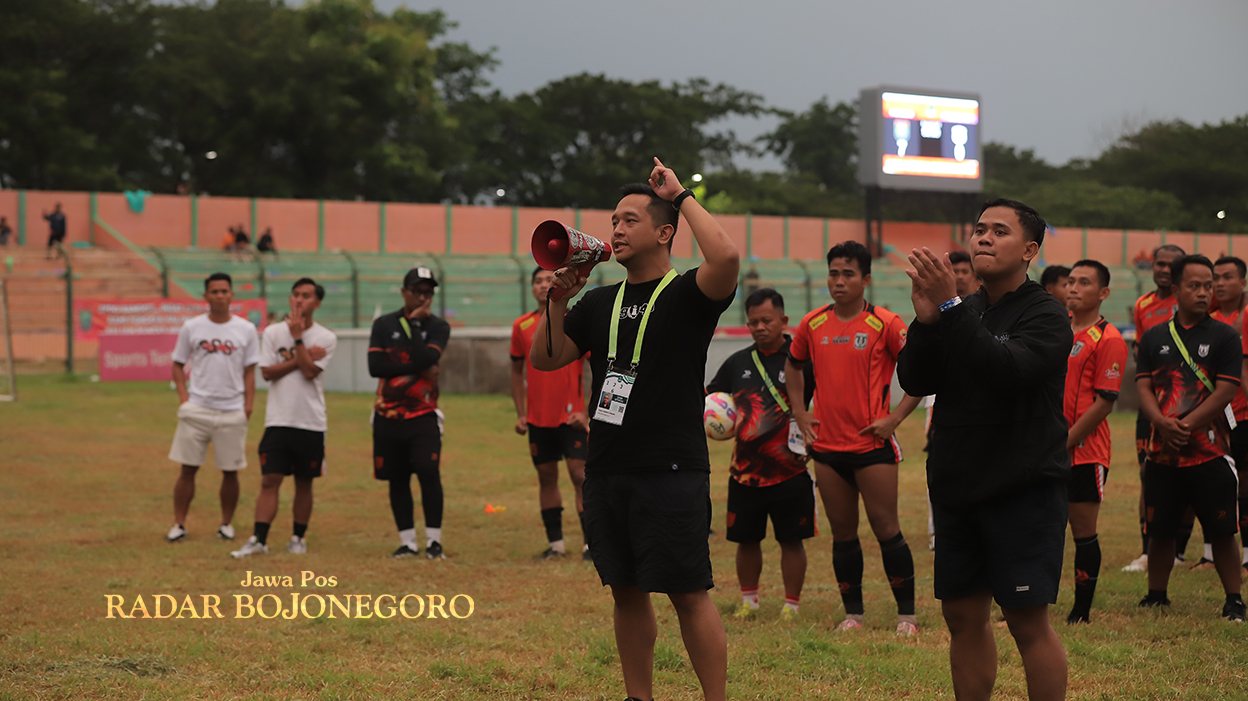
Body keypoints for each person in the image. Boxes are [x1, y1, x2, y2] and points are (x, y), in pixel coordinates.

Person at [531, 158, 738, 701]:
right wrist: (558, 303)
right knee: (625, 591)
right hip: (607, 467)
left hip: (672, 467)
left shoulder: (690, 293)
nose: (616, 230)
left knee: (688, 593)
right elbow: (546, 358)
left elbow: (726, 256)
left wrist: (680, 195)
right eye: (613, 221)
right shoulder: (600, 301)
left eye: (629, 220)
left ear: (664, 233)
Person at [898, 198, 1071, 701]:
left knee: (1025, 620)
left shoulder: (1046, 313)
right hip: (958, 487)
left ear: (1030, 250)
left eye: (999, 231)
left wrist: (950, 311)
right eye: (979, 230)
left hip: (1023, 489)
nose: (984, 238)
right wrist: (927, 322)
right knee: (961, 616)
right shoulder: (963, 310)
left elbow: (1005, 370)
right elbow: (915, 379)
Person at [784, 240, 921, 635]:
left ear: (866, 279)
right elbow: (793, 366)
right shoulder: (812, 324)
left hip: (872, 448)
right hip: (827, 450)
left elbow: (920, 372)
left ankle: (907, 617)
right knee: (843, 535)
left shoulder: (886, 323)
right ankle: (854, 615)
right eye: (833, 273)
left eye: (848, 274)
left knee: (886, 529)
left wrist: (895, 418)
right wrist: (799, 411)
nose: (839, 281)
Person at [1135, 254, 1245, 621]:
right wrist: (1160, 422)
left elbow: (1226, 390)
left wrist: (1184, 425)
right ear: (1176, 289)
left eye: (1208, 286)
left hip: (1210, 450)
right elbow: (1144, 386)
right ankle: (1156, 595)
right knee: (1161, 530)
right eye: (1195, 286)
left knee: (1223, 529)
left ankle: (1234, 600)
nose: (1203, 293)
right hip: (1162, 452)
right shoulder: (1154, 336)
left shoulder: (1225, 336)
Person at [706, 288, 815, 622]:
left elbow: (823, 403)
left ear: (783, 320)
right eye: (753, 322)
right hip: (745, 472)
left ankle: (791, 606)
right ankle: (748, 601)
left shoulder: (802, 361)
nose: (759, 327)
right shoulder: (737, 362)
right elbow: (712, 401)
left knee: (792, 541)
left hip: (790, 470)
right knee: (746, 540)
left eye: (766, 320)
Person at [232, 278, 336, 558]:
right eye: (296, 294)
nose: (299, 300)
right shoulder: (273, 332)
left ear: (317, 303)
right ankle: (259, 540)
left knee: (304, 481)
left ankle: (298, 538)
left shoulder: (326, 337)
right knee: (270, 479)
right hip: (278, 420)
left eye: (306, 296)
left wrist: (298, 339)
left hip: (310, 421)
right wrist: (302, 356)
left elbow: (310, 373)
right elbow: (267, 372)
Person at [166, 272, 260, 543]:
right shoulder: (192, 327)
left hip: (232, 409)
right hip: (197, 407)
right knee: (187, 469)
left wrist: (248, 405)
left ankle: (226, 524)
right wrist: (184, 400)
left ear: (232, 295)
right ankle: (179, 524)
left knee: (230, 471)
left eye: (224, 291)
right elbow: (177, 364)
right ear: (205, 296)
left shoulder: (245, 329)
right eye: (215, 291)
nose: (220, 296)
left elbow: (250, 371)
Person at [1061, 259, 1128, 624]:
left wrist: (1065, 442)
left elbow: (1104, 403)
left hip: (1085, 453)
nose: (1073, 287)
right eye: (1071, 281)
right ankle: (1031, 605)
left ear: (1103, 293)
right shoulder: (1057, 330)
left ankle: (1081, 611)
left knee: (1083, 531)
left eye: (1084, 282)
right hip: (1048, 449)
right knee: (1043, 530)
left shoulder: (1110, 339)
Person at [369, 267, 451, 560]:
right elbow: (375, 367)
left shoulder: (438, 326)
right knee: (397, 477)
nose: (423, 298)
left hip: (423, 414)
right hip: (388, 415)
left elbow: (429, 356)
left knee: (429, 472)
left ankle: (433, 542)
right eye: (417, 291)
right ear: (404, 292)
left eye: (428, 293)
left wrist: (415, 325)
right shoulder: (384, 324)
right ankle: (407, 542)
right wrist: (419, 367)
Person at [509, 267, 590, 561]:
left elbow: (598, 367)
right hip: (538, 420)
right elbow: (516, 372)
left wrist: (586, 412)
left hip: (571, 419)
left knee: (580, 476)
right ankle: (556, 546)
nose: (544, 284)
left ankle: (591, 545)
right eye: (538, 281)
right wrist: (522, 413)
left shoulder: (574, 322)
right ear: (532, 288)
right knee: (546, 477)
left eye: (548, 279)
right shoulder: (522, 325)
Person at [1123, 244, 1186, 572]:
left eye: (1171, 264)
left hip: (1188, 404)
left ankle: (1180, 551)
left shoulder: (1191, 300)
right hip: (1151, 405)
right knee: (1148, 474)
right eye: (1159, 263)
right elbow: (1141, 351)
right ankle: (1148, 550)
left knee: (1189, 475)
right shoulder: (1142, 305)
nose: (1163, 269)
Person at [1192, 256, 1248, 570]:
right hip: (1212, 416)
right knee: (1213, 485)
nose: (1221, 284)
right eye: (1217, 278)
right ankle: (1209, 554)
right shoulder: (1206, 320)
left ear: (1243, 283)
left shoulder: (1245, 316)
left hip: (1242, 415)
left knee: (1244, 486)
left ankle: (1246, 555)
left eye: (1228, 277)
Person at [923, 248, 980, 551]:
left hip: (975, 404)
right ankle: (939, 529)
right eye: (953, 271)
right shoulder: (935, 313)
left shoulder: (981, 311)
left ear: (975, 277)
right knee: (939, 461)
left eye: (963, 272)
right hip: (939, 402)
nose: (957, 277)